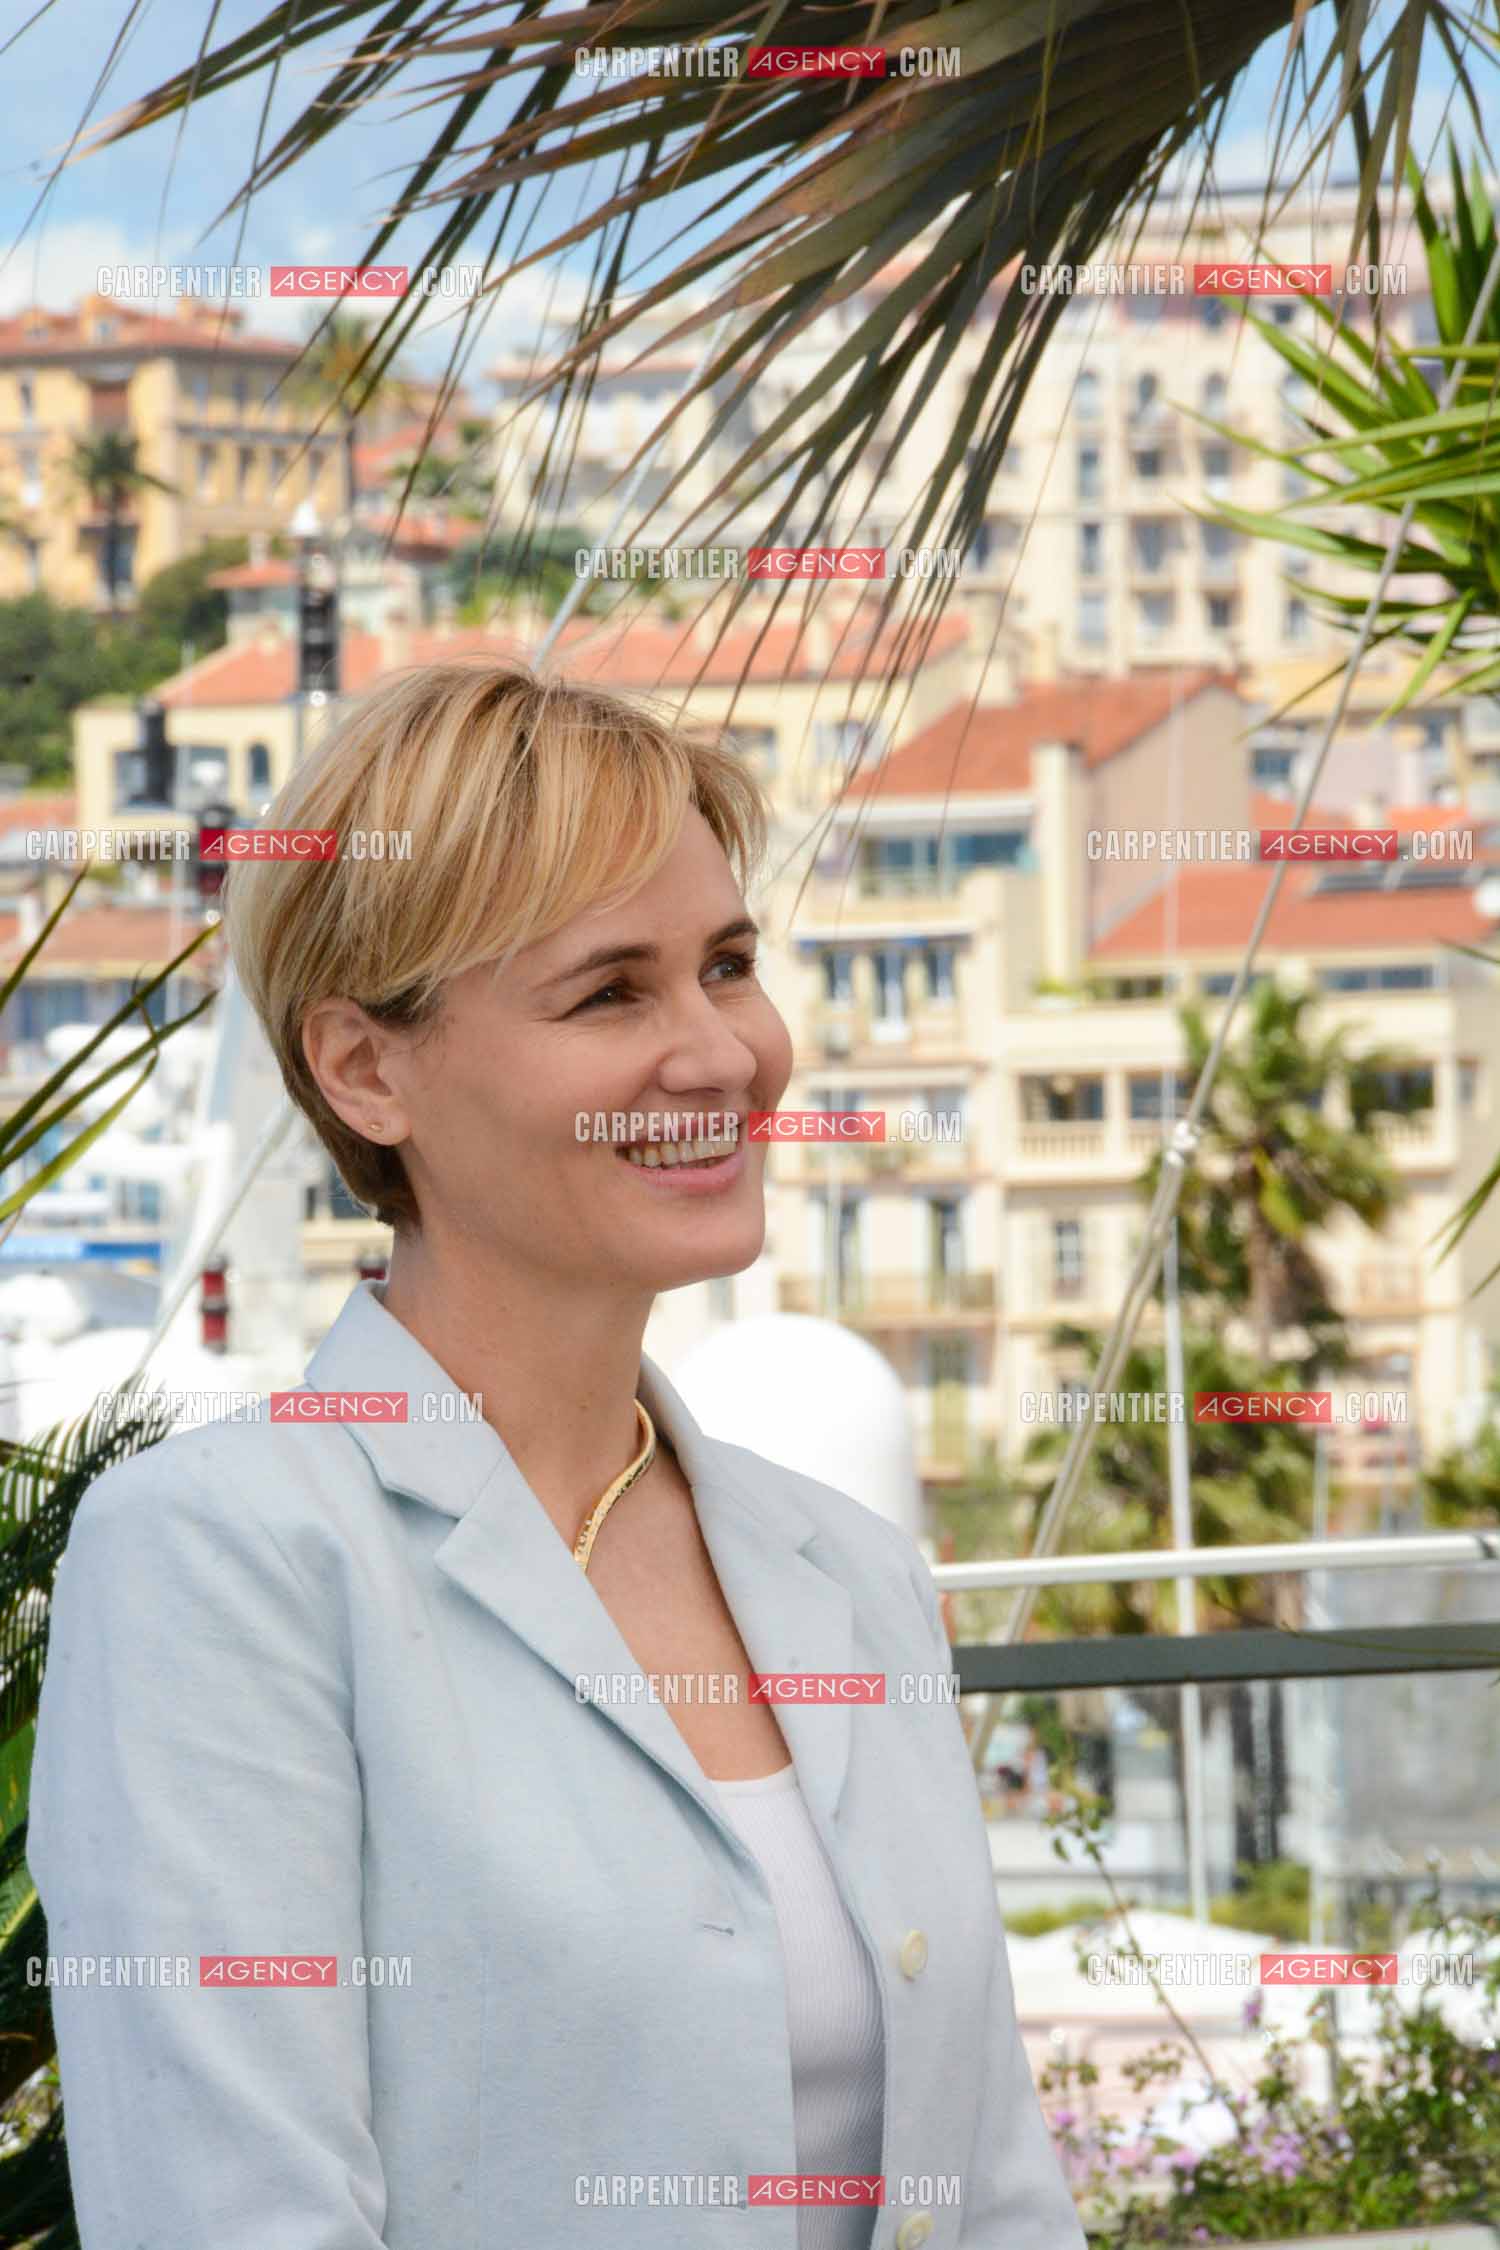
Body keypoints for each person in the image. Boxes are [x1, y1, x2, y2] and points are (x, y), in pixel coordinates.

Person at [27, 662, 1085, 2250]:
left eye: (729, 964)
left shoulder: (848, 1570)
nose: (722, 1053)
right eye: (612, 992)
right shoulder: (217, 1559)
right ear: (366, 1069)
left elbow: (995, 2190)